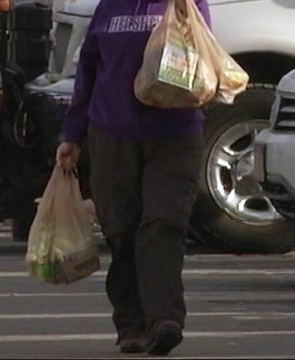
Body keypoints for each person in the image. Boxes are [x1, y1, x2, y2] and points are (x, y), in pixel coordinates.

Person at [55, 0, 211, 355]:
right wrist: (73, 135)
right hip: (112, 133)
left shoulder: (188, 3)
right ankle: (131, 324)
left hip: (176, 133)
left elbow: (205, 51)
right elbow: (89, 72)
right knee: (121, 228)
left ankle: (164, 321)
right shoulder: (109, 7)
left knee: (164, 222)